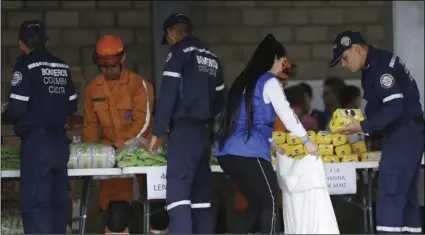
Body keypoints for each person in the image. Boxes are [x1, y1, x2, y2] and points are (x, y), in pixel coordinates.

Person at [213, 34, 319, 234]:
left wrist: (270, 143)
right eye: (281, 61)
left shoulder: (244, 81)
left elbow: (245, 118)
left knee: (257, 204)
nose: (282, 67)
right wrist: (306, 141)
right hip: (248, 154)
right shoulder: (269, 81)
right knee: (271, 202)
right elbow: (287, 114)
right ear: (274, 59)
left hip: (228, 154)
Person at [330, 30, 424, 234]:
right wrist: (365, 122)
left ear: (356, 49)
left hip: (403, 133)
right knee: (406, 196)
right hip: (407, 132)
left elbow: (394, 106)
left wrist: (362, 127)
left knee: (390, 192)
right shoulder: (375, 64)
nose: (344, 65)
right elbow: (380, 106)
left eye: (345, 59)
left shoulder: (379, 69)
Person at [148, 13, 226, 234]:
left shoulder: (179, 53)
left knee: (178, 197)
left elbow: (169, 93)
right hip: (204, 135)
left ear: (171, 34)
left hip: (183, 134)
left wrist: (157, 131)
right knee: (201, 200)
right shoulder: (212, 57)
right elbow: (221, 97)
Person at [1, 20, 78, 234]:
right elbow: (72, 104)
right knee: (57, 204)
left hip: (37, 145)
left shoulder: (26, 66)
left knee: (36, 205)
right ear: (47, 40)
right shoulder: (62, 67)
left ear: (21, 43)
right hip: (60, 146)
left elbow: (16, 109)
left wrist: (4, 114)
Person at [83, 35, 154, 234]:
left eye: (112, 65)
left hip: (143, 152)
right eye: (103, 66)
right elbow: (90, 125)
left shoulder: (139, 85)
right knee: (116, 213)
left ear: (122, 59)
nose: (107, 70)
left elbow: (144, 122)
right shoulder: (93, 88)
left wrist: (123, 145)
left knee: (157, 212)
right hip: (112, 156)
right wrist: (91, 155)